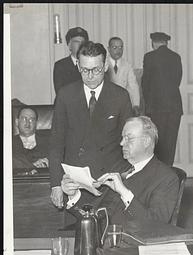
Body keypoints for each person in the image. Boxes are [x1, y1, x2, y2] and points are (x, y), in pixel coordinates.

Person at [49, 41, 133, 214]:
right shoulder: (65, 95)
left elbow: (129, 143)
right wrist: (56, 184)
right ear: (78, 66)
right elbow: (56, 143)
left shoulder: (120, 96)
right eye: (85, 70)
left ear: (105, 65)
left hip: (109, 185)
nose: (90, 76)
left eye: (96, 69)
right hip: (74, 185)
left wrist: (126, 179)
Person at [61, 116, 179, 231]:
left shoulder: (166, 178)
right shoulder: (119, 167)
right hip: (95, 237)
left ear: (146, 141)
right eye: (122, 138)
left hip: (125, 244)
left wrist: (124, 192)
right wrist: (73, 195)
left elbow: (156, 225)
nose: (122, 143)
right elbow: (93, 214)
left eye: (128, 138)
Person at [141, 32, 183, 166]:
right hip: (174, 108)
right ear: (166, 42)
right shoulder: (176, 57)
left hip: (156, 108)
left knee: (157, 144)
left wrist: (148, 103)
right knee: (170, 144)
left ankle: (159, 178)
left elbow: (145, 83)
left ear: (153, 43)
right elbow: (177, 80)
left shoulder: (149, 57)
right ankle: (168, 173)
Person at [106, 37, 140, 110]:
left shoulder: (127, 65)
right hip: (106, 104)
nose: (118, 51)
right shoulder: (103, 64)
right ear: (109, 49)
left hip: (123, 105)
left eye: (120, 47)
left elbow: (133, 86)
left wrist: (135, 105)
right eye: (115, 47)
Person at [53, 27, 89, 94]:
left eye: (83, 42)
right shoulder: (61, 66)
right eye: (76, 42)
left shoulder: (90, 64)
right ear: (69, 45)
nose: (80, 45)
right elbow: (61, 93)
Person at [13, 106, 49, 172]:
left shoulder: (49, 140)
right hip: (20, 180)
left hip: (44, 179)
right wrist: (33, 166)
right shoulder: (9, 143)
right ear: (17, 122)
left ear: (36, 123)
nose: (27, 123)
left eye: (31, 119)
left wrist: (49, 161)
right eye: (24, 119)